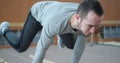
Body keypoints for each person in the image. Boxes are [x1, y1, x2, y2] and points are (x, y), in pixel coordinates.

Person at [0, 0, 104, 63]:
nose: (93, 31)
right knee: (20, 47)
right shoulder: (55, 23)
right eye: (90, 26)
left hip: (57, 13)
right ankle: (4, 29)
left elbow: (79, 47)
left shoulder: (87, 17)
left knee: (73, 44)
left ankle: (60, 34)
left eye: (96, 26)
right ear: (78, 18)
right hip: (38, 14)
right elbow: (42, 47)